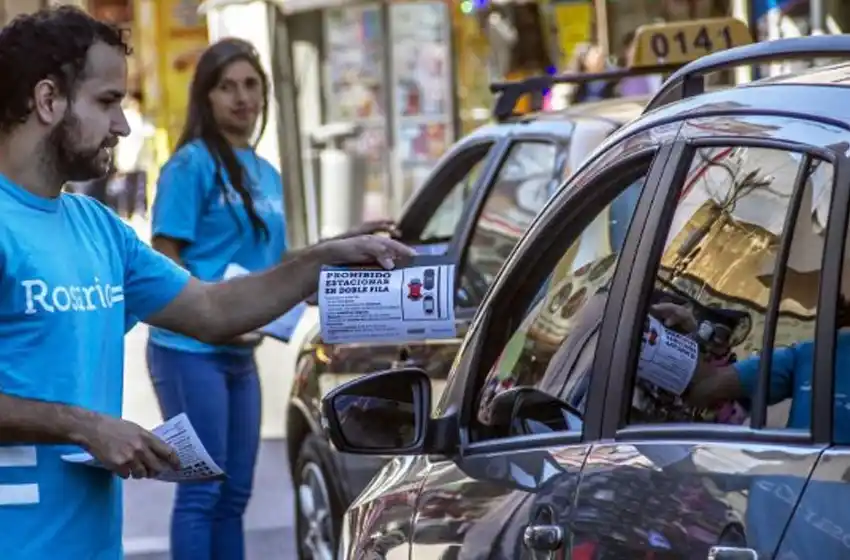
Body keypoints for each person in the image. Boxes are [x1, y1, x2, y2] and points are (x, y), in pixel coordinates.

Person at [0, 7, 413, 560]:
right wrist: (83, 426)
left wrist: (320, 262)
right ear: (48, 101)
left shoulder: (97, 227)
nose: (122, 125)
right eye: (106, 102)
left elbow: (212, 308)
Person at [146, 37, 395, 560]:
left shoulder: (266, 173)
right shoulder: (189, 167)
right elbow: (162, 261)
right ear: (206, 98)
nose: (241, 98)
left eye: (251, 85)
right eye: (226, 87)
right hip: (189, 349)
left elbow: (276, 265)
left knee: (235, 493)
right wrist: (210, 313)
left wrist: (342, 244)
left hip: (242, 350)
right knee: (202, 490)